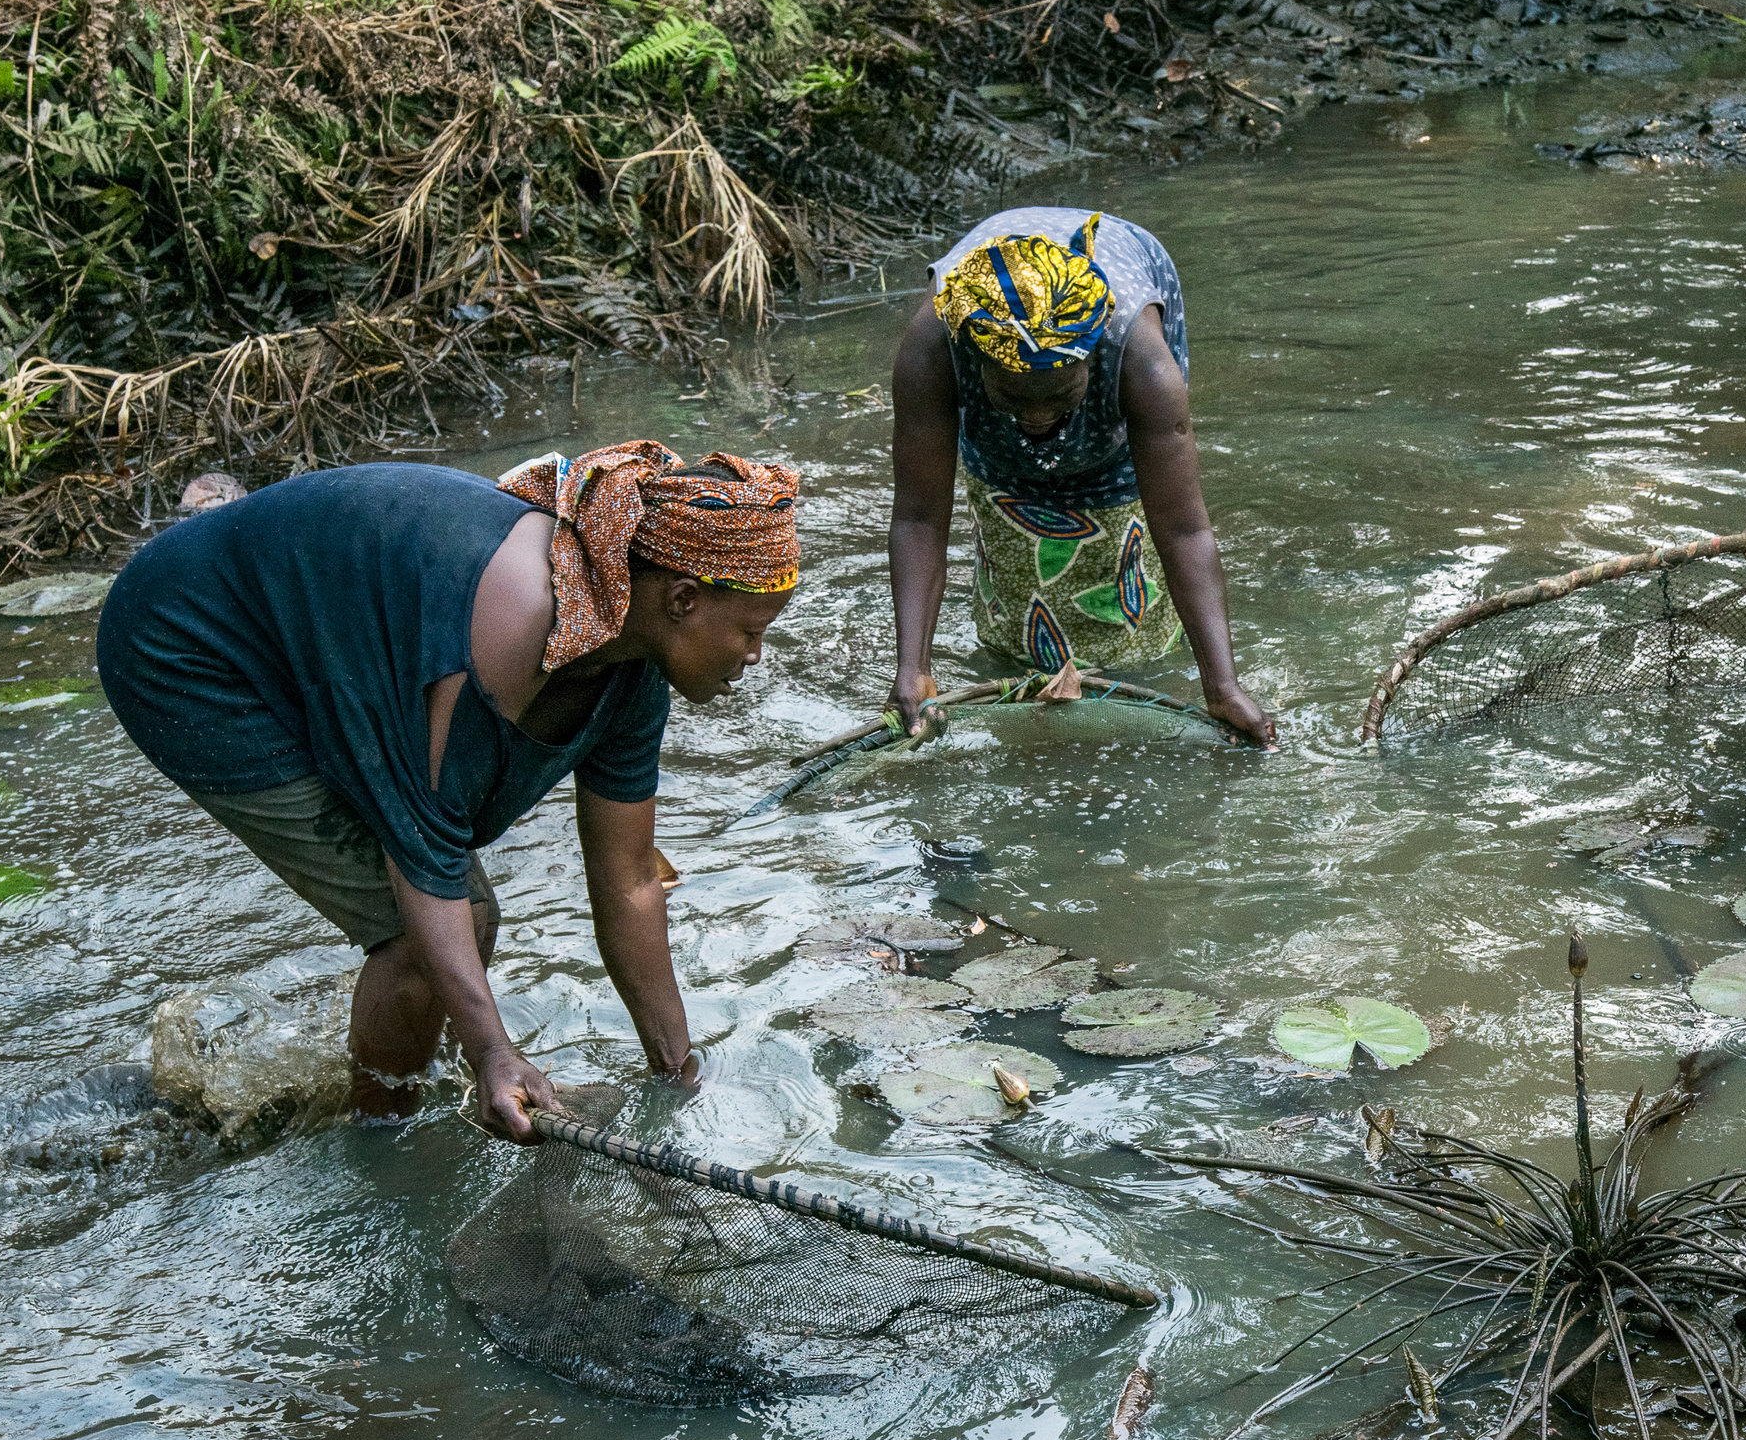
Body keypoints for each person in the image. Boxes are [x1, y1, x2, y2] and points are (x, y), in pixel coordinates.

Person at [98, 443, 802, 1138]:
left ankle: (391, 1094)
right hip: (190, 644)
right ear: (680, 598)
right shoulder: (518, 621)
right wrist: (494, 1051)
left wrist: (675, 1074)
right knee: (435, 928)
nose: (754, 656)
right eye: (749, 631)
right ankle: (379, 1145)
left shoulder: (632, 667)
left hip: (313, 629)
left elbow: (628, 883)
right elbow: (424, 851)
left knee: (457, 925)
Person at [885, 206, 1275, 745]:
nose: (1038, 416)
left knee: (1131, 626)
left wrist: (1222, 685)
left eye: (1059, 395)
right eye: (1015, 395)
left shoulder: (1141, 364)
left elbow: (1183, 527)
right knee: (1013, 627)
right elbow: (919, 516)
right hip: (994, 430)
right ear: (980, 365)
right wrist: (913, 669)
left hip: (1115, 432)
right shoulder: (935, 347)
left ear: (1091, 363)